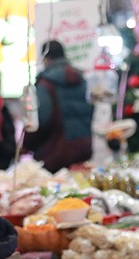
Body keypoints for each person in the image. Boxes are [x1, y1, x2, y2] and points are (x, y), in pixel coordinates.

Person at [23, 40, 93, 173]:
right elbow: (91, 110)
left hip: (55, 154)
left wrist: (27, 144)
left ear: (45, 58)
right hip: (83, 147)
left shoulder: (45, 84)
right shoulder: (82, 79)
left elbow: (40, 119)